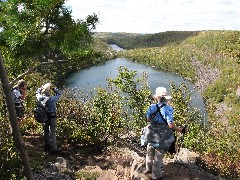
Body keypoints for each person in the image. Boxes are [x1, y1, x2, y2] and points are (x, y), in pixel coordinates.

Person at [144, 87, 188, 180]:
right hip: (162, 136)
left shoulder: (152, 107)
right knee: (158, 156)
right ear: (166, 98)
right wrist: (180, 130)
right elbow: (171, 125)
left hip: (151, 133)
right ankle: (157, 176)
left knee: (149, 152)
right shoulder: (168, 109)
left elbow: (148, 120)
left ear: (157, 97)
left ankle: (148, 170)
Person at [36, 83, 61, 154]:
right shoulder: (52, 99)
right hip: (52, 117)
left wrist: (40, 89)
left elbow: (37, 92)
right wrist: (54, 89)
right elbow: (59, 94)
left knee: (45, 132)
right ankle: (54, 149)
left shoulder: (40, 97)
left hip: (44, 117)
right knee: (52, 133)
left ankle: (47, 146)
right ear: (49, 91)